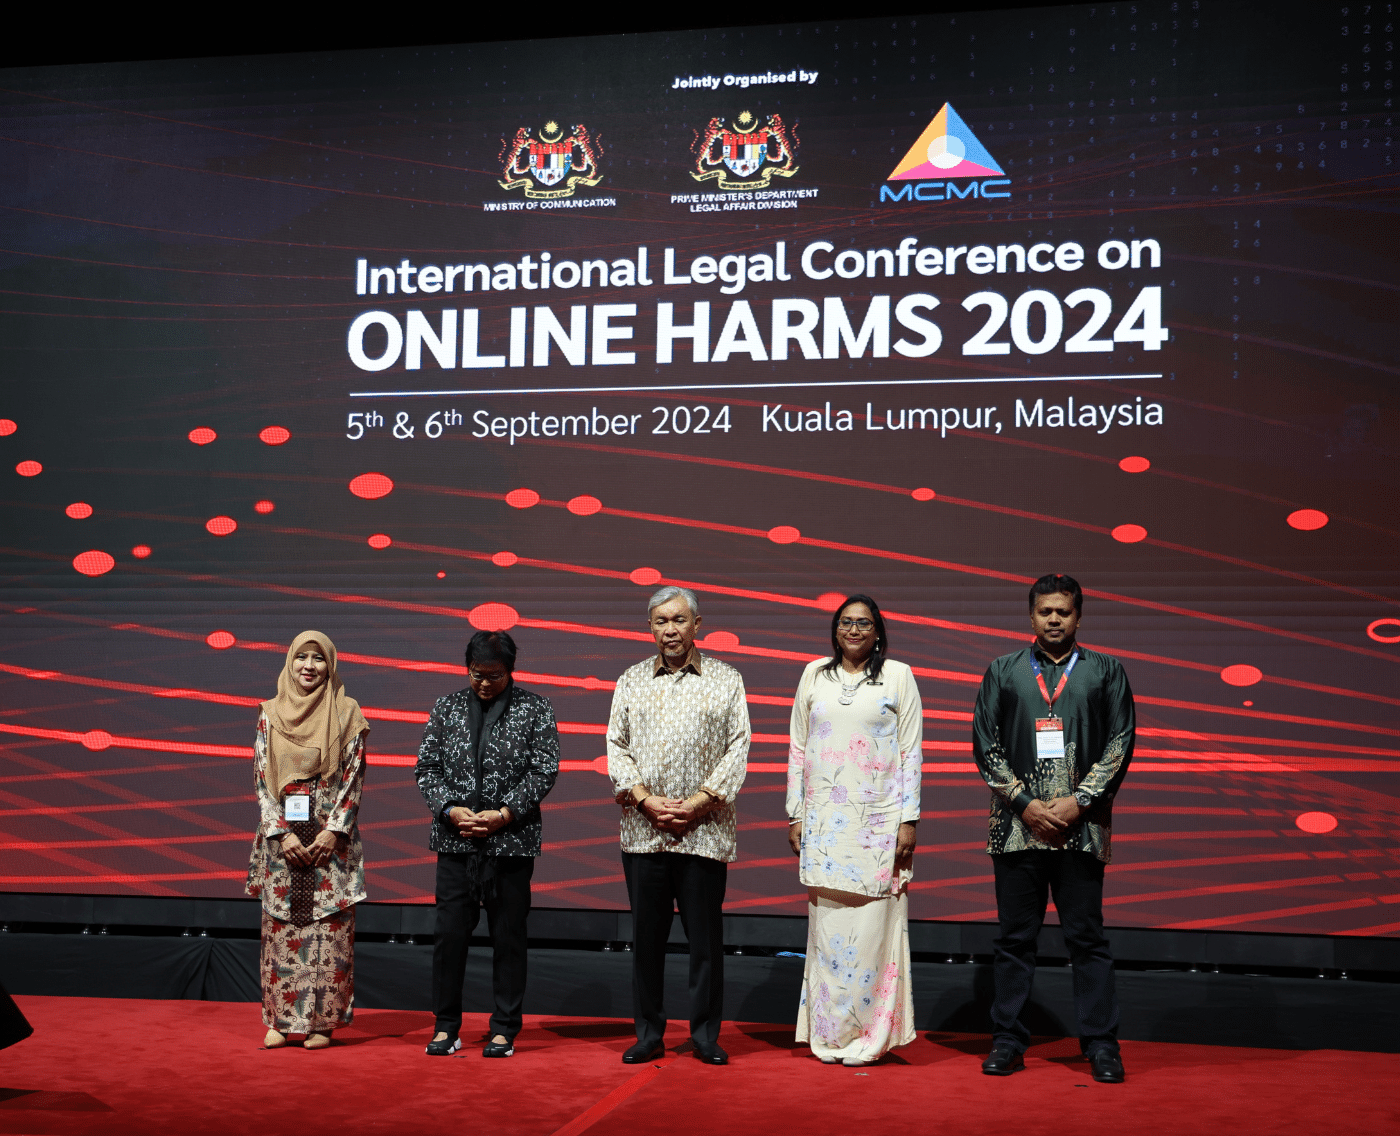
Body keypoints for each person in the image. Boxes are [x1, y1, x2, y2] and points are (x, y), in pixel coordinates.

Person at [972, 574, 1135, 1083]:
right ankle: (1008, 1039)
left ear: (1079, 617)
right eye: (1046, 611)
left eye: (1064, 611)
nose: (1055, 619)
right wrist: (1023, 802)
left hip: (1080, 830)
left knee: (1086, 939)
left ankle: (1102, 1045)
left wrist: (1080, 802)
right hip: (1017, 828)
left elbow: (1120, 742)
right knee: (1015, 939)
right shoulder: (1003, 671)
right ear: (1032, 616)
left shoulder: (1107, 672)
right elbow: (985, 744)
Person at [607, 586, 751, 1066]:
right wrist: (647, 801)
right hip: (643, 834)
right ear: (650, 627)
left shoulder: (727, 680)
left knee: (705, 944)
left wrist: (697, 804)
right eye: (660, 621)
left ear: (697, 624)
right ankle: (649, 1032)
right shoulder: (630, 680)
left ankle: (705, 1036)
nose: (670, 630)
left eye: (679, 620)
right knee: (646, 942)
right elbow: (616, 747)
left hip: (704, 833)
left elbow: (738, 747)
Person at [786, 594, 922, 1066]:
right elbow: (798, 749)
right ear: (835, 629)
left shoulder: (899, 676)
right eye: (846, 622)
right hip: (825, 825)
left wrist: (909, 819)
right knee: (829, 936)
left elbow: (911, 752)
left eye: (864, 623)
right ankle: (829, 1035)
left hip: (879, 823)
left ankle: (871, 1037)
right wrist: (795, 813)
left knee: (873, 934)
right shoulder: (813, 675)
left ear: (878, 630)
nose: (855, 630)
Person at [416, 630, 560, 1059]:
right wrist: (449, 809)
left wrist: (503, 814)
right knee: (449, 937)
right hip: (456, 841)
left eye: (493, 676)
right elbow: (427, 768)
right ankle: (446, 1026)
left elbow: (544, 770)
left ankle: (504, 1028)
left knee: (508, 938)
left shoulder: (535, 708)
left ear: (510, 671)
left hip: (510, 845)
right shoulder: (446, 707)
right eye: (476, 674)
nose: (483, 683)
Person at [246, 631, 370, 1050]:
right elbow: (262, 779)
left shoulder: (348, 712)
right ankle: (279, 1021)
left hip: (329, 843)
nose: (310, 666)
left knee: (328, 934)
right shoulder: (269, 713)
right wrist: (280, 833)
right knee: (281, 930)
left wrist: (334, 831)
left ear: (330, 665)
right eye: (302, 657)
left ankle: (322, 1023)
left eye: (319, 659)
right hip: (281, 841)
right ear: (290, 661)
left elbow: (353, 778)